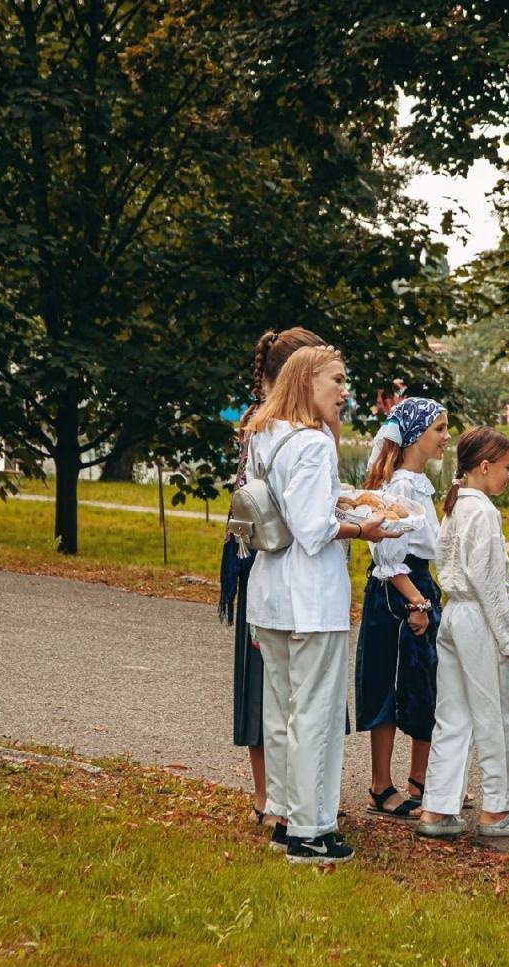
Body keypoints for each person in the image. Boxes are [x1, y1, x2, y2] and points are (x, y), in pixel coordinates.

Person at [243, 343, 398, 864]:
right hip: (310, 597)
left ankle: (288, 816)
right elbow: (312, 530)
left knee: (283, 710)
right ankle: (312, 830)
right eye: (336, 379)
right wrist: (364, 528)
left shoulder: (267, 434)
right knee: (317, 713)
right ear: (307, 381)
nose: (344, 389)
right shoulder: (312, 443)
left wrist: (344, 497)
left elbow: (291, 505)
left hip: (271, 593)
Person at [220, 328, 326, 832]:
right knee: (290, 699)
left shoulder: (263, 425)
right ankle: (284, 804)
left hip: (263, 561)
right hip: (279, 564)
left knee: (281, 695)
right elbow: (309, 521)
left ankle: (282, 801)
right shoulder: (296, 434)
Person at [417, 427, 509, 839]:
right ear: (484, 466)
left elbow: (464, 570)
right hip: (477, 621)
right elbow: (483, 579)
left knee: (452, 715)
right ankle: (497, 808)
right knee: (499, 715)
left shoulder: (455, 507)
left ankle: (436, 807)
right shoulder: (483, 511)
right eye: (507, 467)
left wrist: (505, 586)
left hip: (454, 614)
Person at [354, 396, 450, 819]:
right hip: (399, 592)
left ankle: (420, 780)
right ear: (415, 436)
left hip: (420, 585)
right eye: (439, 429)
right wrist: (416, 601)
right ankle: (380, 785)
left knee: (424, 684)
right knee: (390, 686)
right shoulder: (399, 487)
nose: (447, 438)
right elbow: (387, 555)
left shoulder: (418, 482)